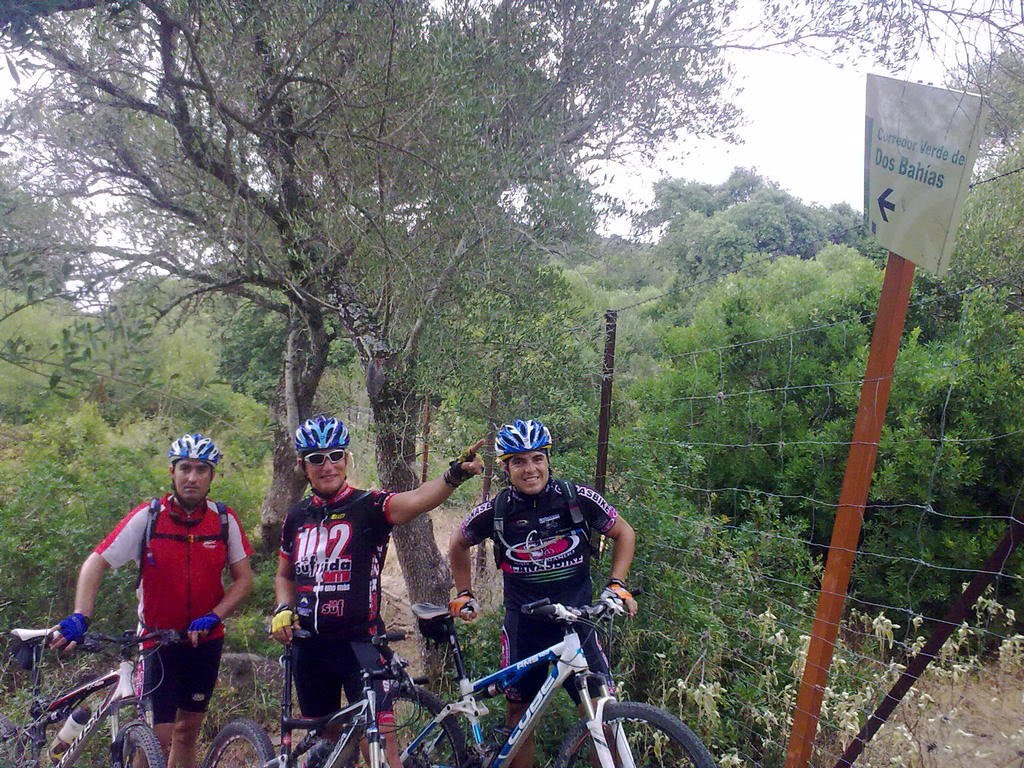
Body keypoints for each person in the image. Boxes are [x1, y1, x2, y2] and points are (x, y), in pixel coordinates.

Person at [271, 414, 484, 768]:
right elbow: (284, 575)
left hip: (362, 645)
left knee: (383, 750)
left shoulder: (368, 505)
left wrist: (454, 475)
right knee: (330, 750)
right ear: (302, 465)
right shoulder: (296, 516)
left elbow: (418, 499)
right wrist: (282, 608)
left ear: (346, 459)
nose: (327, 466)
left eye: (335, 455)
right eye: (316, 458)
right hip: (310, 648)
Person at [50, 433, 254, 768]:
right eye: (185, 468)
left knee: (187, 731)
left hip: (205, 641)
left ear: (212, 476)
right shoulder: (149, 517)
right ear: (172, 472)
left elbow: (244, 580)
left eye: (201, 469)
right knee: (157, 736)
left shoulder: (223, 519)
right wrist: (80, 614)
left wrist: (215, 615)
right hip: (157, 642)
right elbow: (96, 562)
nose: (192, 477)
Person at [448, 418, 637, 768]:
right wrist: (464, 592)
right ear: (505, 467)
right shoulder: (497, 510)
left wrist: (617, 584)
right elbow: (458, 543)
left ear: (548, 459)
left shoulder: (576, 498)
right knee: (519, 719)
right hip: (524, 628)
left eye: (537, 458)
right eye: (518, 461)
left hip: (578, 623)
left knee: (602, 715)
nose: (530, 469)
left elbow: (624, 533)